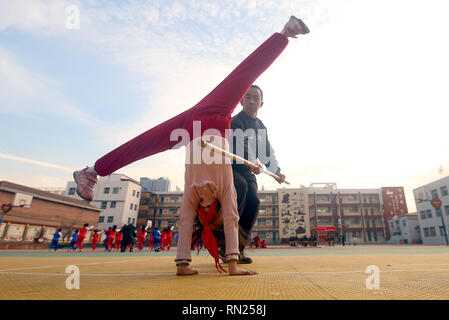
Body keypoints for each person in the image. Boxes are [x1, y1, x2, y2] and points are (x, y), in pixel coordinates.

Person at [72, 15, 309, 275]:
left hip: (201, 136)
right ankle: (93, 171)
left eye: (256, 99)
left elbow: (267, 152)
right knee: (151, 142)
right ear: (243, 101)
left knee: (149, 143)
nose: (252, 101)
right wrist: (284, 36)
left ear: (262, 104)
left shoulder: (259, 126)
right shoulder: (232, 112)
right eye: (248, 97)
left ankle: (93, 171)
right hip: (219, 137)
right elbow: (248, 70)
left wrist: (274, 171)